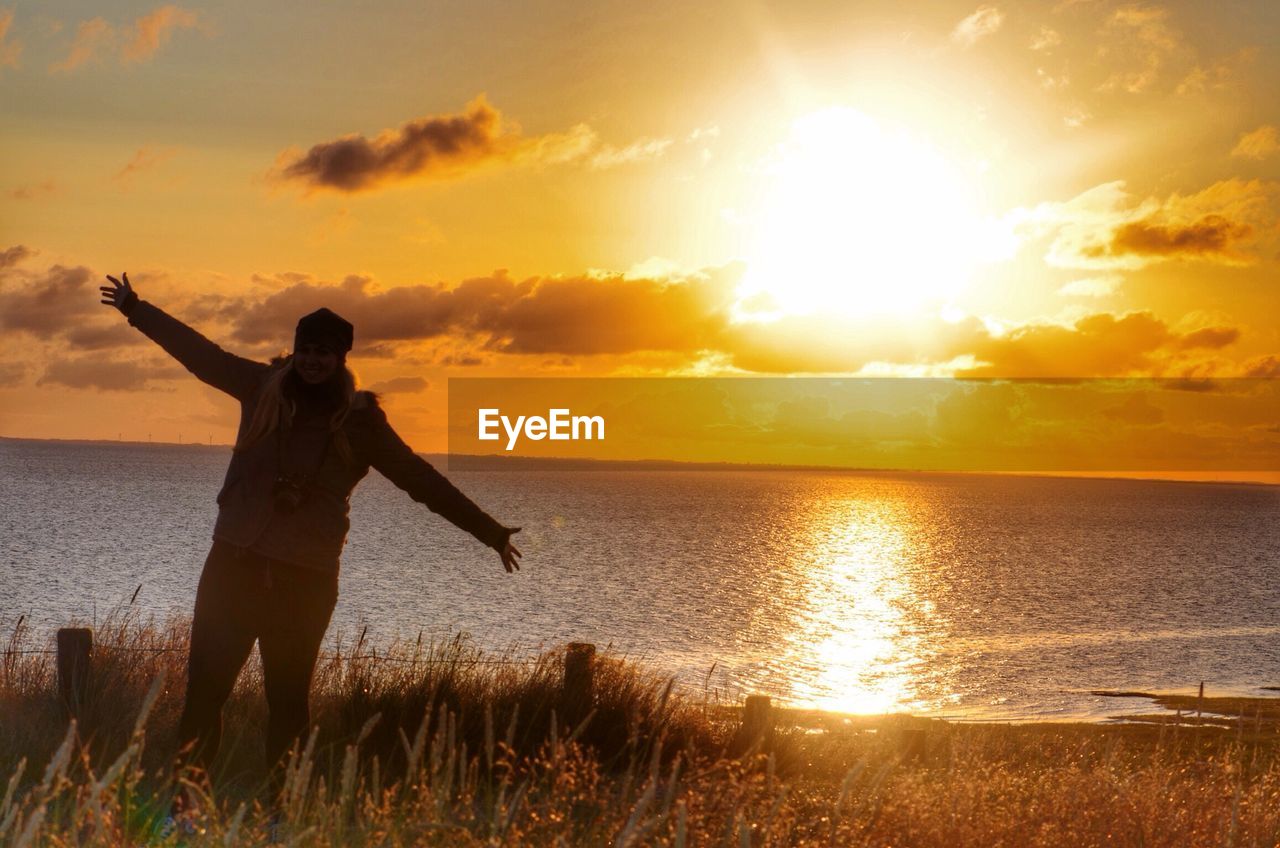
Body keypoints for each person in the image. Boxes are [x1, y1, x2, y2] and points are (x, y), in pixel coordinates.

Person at [99, 272, 522, 783]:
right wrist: (136, 309)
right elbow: (200, 354)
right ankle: (185, 807)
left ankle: (281, 815)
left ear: (342, 359)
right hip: (233, 566)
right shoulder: (259, 388)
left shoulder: (362, 423)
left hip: (305, 581)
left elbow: (421, 481)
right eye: (306, 350)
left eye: (325, 352)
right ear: (294, 350)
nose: (313, 360)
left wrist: (491, 532)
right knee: (204, 698)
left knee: (288, 706)